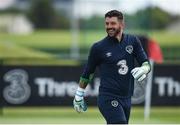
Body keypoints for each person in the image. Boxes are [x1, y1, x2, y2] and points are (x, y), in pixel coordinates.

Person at [73, 10, 151, 124]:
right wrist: (79, 95)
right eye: (107, 23)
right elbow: (87, 73)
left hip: (126, 98)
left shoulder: (133, 41)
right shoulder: (98, 47)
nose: (109, 26)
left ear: (122, 24)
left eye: (113, 23)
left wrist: (144, 69)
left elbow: (146, 63)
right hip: (108, 97)